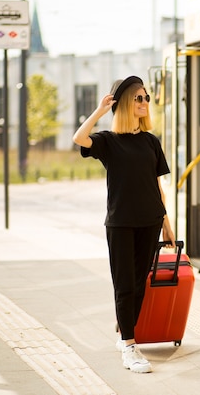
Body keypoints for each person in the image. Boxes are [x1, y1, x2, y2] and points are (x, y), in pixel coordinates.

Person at [73, 75, 175, 373]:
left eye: (146, 98)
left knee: (139, 285)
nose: (144, 103)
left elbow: (157, 186)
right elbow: (80, 138)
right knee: (124, 286)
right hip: (121, 223)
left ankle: (124, 334)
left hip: (150, 221)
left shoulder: (150, 141)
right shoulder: (108, 141)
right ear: (126, 104)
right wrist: (100, 111)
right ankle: (130, 347)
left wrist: (167, 225)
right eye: (138, 98)